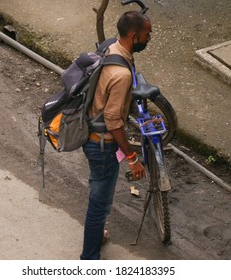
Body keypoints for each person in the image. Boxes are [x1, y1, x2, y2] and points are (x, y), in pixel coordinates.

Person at [80, 10, 151, 260]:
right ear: (133, 36)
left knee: (99, 197)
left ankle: (97, 236)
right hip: (101, 146)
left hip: (92, 133)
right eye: (146, 34)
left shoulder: (112, 47)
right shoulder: (121, 75)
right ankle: (89, 259)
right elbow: (113, 120)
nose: (149, 38)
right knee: (100, 204)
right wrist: (131, 156)